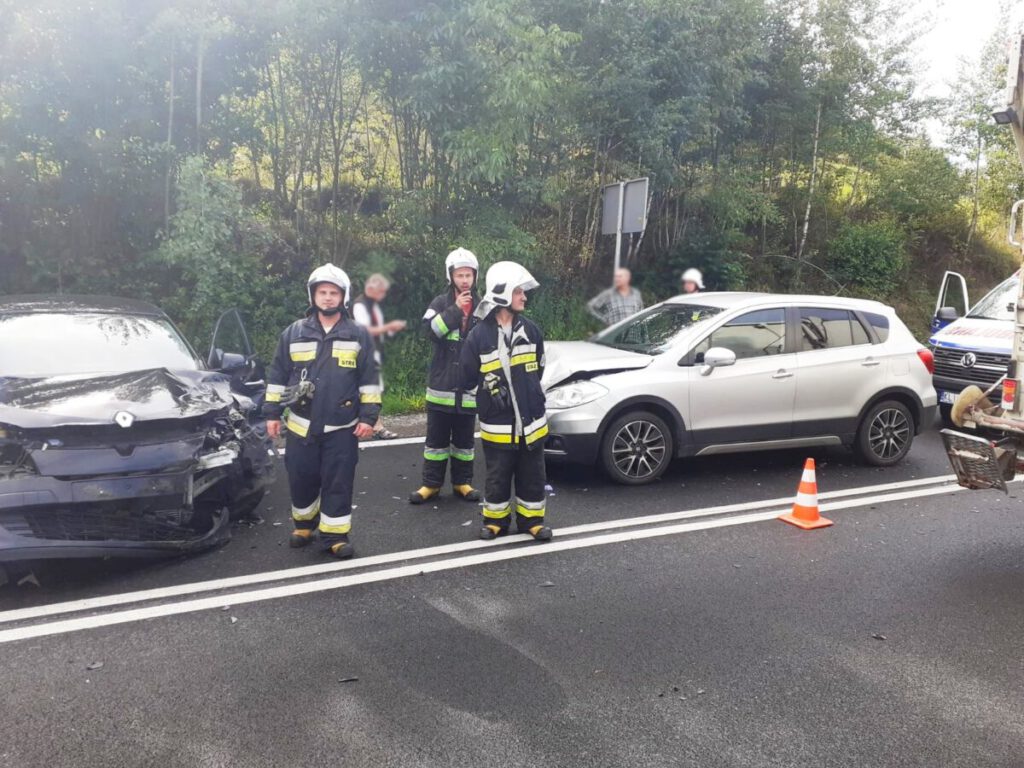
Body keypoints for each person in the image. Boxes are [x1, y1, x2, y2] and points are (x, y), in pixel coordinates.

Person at [264, 264, 381, 560]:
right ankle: (304, 525)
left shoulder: (358, 334)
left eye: (333, 293)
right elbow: (277, 375)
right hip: (300, 426)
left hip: (341, 428)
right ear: (313, 295)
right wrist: (272, 414)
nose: (328, 298)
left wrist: (368, 418)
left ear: (343, 297)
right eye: (322, 292)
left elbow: (369, 379)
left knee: (337, 481)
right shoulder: (293, 333)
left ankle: (335, 536)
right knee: (300, 477)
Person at [460, 261, 552, 542]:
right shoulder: (478, 336)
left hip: (531, 423)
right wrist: (488, 386)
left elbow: (538, 370)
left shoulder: (532, 331)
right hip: (498, 424)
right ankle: (495, 521)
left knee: (532, 474)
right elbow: (466, 379)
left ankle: (532, 521)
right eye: (519, 292)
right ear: (502, 294)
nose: (524, 297)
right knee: (497, 474)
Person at [410, 248, 484, 505]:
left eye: (468, 275)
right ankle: (431, 485)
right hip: (441, 388)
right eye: (459, 275)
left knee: (464, 443)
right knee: (436, 443)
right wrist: (454, 310)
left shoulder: (483, 306)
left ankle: (462, 483)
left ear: (475, 276)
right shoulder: (440, 303)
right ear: (451, 276)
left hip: (469, 389)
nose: (464, 280)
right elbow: (429, 332)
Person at [352, 273, 406, 439]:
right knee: (371, 388)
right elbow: (365, 331)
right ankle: (376, 426)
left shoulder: (373, 306)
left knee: (372, 389)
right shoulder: (360, 305)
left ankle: (371, 424)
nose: (383, 295)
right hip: (362, 353)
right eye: (381, 291)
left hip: (374, 351)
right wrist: (389, 326)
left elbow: (378, 329)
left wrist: (388, 331)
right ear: (371, 289)